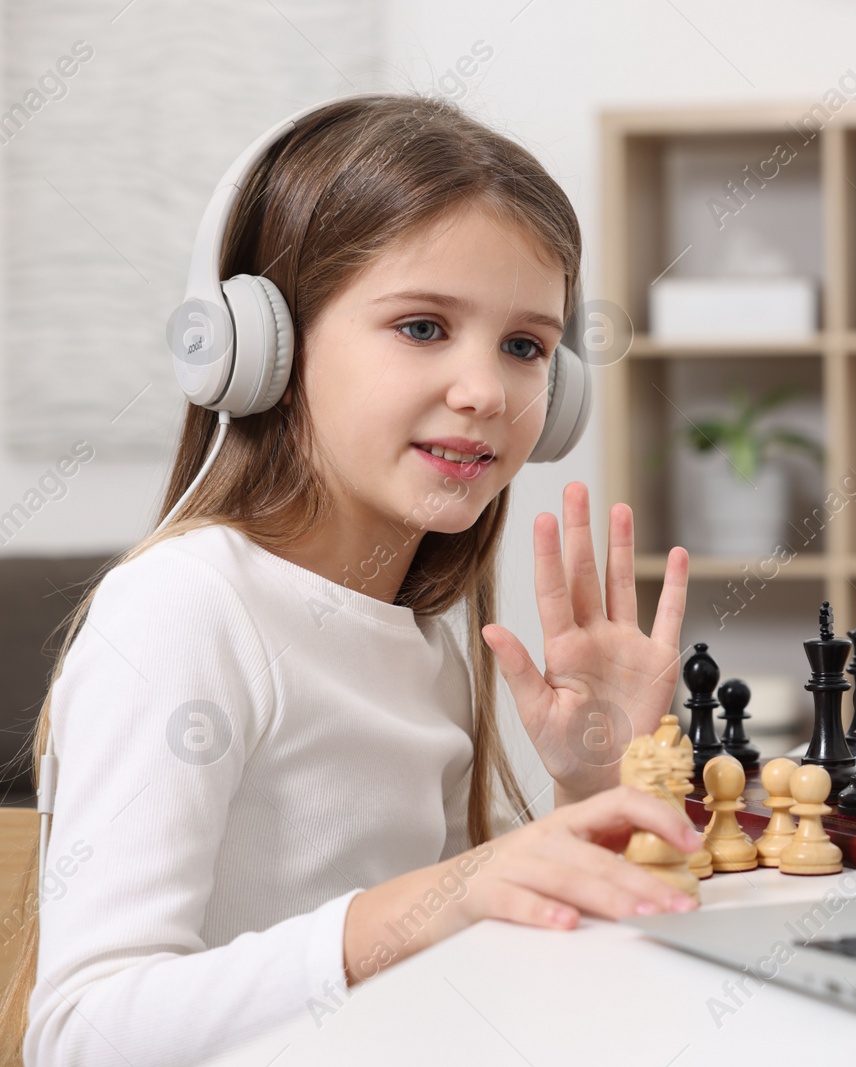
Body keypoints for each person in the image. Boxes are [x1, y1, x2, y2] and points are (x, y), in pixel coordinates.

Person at [0, 92, 702, 1066]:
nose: (485, 390)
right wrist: (431, 899)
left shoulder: (424, 631)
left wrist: (588, 777)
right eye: (422, 326)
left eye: (526, 346)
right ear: (265, 347)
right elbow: (81, 1033)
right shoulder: (186, 609)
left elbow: (474, 949)